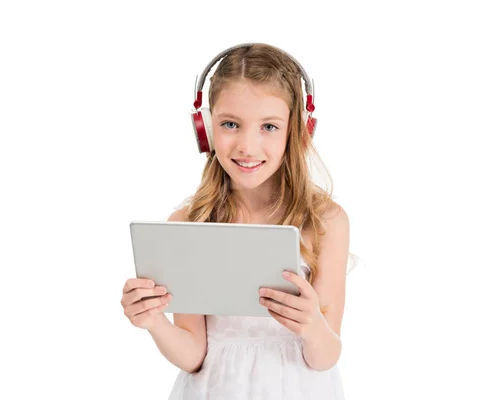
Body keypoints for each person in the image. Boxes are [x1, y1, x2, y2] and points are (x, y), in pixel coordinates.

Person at [120, 43, 350, 399]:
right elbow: (194, 354)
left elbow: (326, 357)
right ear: (206, 128)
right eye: (230, 124)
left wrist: (311, 325)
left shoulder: (324, 222)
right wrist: (153, 322)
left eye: (269, 126)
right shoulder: (188, 224)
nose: (247, 145)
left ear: (298, 132)